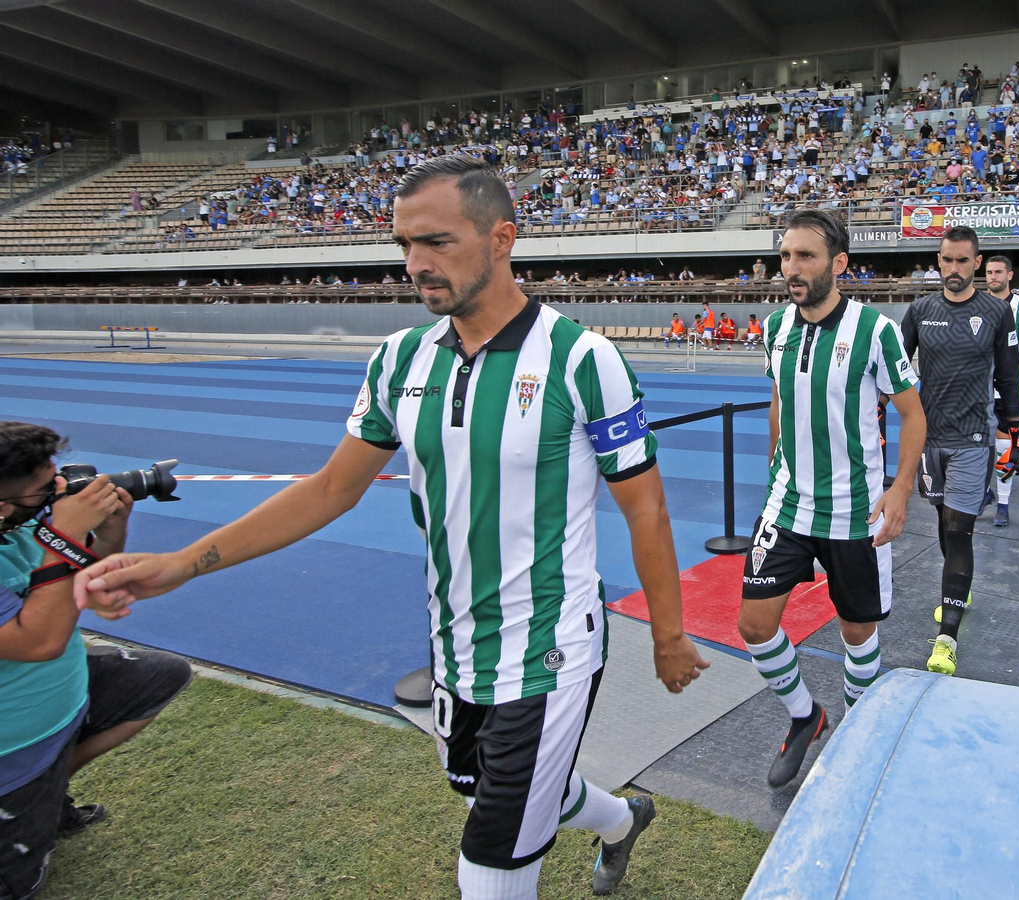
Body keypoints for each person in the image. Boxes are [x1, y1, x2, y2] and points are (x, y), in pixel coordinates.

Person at [73, 155, 708, 900]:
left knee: (491, 873)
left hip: (550, 650)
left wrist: (668, 634)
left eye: (437, 242)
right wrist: (182, 563)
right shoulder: (398, 359)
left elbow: (646, 508)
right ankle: (620, 820)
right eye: (404, 244)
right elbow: (331, 488)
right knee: (504, 796)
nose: (415, 264)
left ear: (502, 238)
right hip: (453, 642)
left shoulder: (582, 360)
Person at [739, 209, 925, 789]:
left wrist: (900, 488)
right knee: (753, 624)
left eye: (805, 257)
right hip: (787, 504)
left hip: (854, 510)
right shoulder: (774, 329)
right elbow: (778, 399)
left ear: (838, 264)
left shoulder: (875, 330)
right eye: (785, 256)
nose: (790, 268)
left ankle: (856, 733)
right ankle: (805, 717)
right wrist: (776, 462)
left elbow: (913, 414)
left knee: (856, 632)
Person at [0, 422, 193, 900]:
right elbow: (39, 640)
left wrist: (109, 532)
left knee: (162, 676)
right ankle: (30, 797)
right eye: (46, 489)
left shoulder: (19, 524)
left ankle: (50, 787)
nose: (60, 492)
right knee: (20, 888)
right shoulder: (39, 528)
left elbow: (77, 589)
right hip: (13, 740)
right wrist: (61, 534)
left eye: (59, 478)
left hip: (60, 696)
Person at [901, 226, 1019, 675]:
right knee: (943, 523)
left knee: (958, 530)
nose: (953, 269)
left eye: (962, 261)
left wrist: (1017, 431)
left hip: (974, 438)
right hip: (929, 440)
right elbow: (896, 371)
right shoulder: (919, 310)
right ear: (939, 260)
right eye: (946, 260)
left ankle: (946, 639)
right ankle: (960, 586)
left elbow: (1009, 377)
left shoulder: (996, 312)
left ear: (977, 263)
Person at [981, 255, 1019, 528]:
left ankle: (1003, 505)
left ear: (1009, 276)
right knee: (977, 447)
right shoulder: (978, 303)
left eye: (998, 272)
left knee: (1006, 447)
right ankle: (984, 493)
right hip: (979, 388)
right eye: (989, 272)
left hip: (1006, 388)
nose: (993, 276)